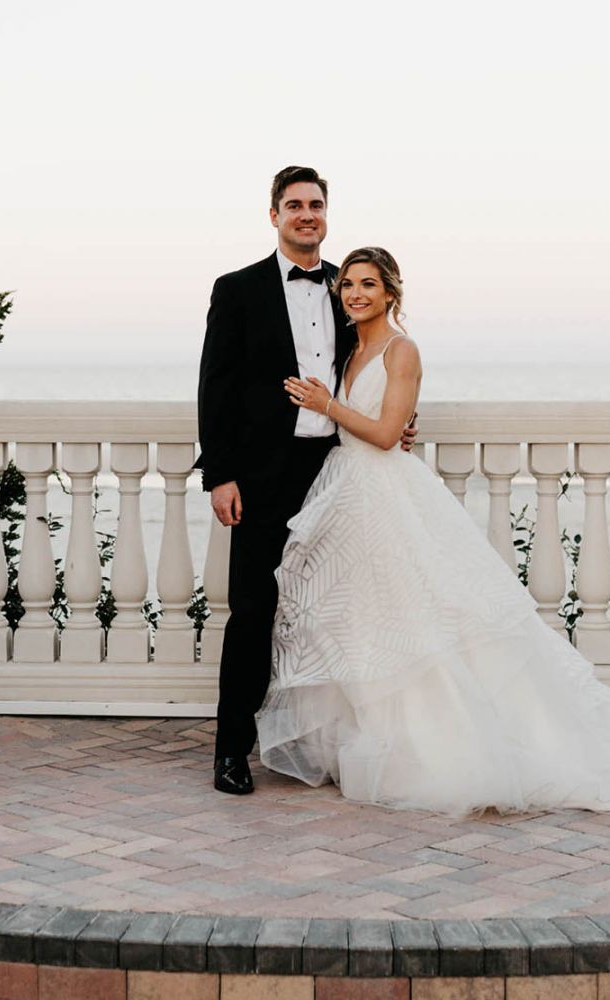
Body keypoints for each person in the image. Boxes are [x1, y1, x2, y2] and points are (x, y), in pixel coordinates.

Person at [265, 247, 610, 814]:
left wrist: (329, 405)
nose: (355, 294)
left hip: (389, 494)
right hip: (349, 494)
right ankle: (377, 742)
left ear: (390, 292)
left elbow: (385, 434)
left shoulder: (401, 350)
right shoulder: (352, 349)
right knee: (366, 621)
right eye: (349, 285)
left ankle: (442, 750)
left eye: (368, 284)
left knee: (417, 623)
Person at [195, 166, 415, 795]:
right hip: (262, 478)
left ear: (326, 213)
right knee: (253, 613)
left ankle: (334, 747)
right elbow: (215, 387)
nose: (306, 215)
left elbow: (376, 363)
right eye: (293, 205)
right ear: (274, 216)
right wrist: (221, 474)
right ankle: (231, 753)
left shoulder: (347, 288)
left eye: (316, 204)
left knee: (339, 610)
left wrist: (396, 421)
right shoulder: (236, 290)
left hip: (339, 473)